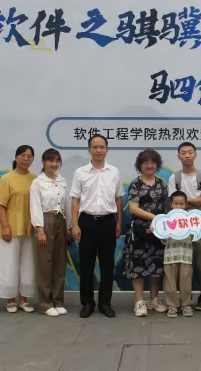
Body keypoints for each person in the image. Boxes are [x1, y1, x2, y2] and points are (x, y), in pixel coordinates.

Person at [70, 134, 124, 319]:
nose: (99, 150)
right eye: (95, 147)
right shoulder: (80, 172)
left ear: (107, 150)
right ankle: (87, 303)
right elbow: (75, 200)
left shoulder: (114, 172)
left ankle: (105, 303)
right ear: (89, 150)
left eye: (102, 147)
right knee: (86, 265)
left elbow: (118, 199)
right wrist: (75, 225)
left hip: (108, 222)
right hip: (86, 222)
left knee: (107, 265)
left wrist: (119, 222)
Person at [0, 145, 37, 313]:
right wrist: (4, 226)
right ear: (16, 157)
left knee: (28, 265)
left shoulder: (36, 179)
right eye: (22, 155)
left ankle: (24, 299)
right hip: (10, 229)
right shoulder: (6, 179)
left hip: (29, 229)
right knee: (9, 265)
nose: (26, 159)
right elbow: (0, 205)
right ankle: (10, 299)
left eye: (29, 156)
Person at [167, 142, 201, 312]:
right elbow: (173, 203)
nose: (187, 155)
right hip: (179, 228)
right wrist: (196, 200)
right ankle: (184, 297)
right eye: (183, 153)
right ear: (178, 156)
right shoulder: (174, 178)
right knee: (181, 263)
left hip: (200, 226)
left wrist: (186, 201)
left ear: (195, 155)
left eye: (190, 152)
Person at [125, 149, 168, 317]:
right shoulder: (136, 184)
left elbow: (166, 207)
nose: (150, 166)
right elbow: (133, 208)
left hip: (159, 233)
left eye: (153, 162)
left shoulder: (162, 184)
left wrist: (165, 223)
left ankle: (154, 299)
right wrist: (155, 218)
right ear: (140, 165)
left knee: (157, 266)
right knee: (138, 266)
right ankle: (139, 301)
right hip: (140, 232)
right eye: (146, 162)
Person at [30, 148, 72, 317]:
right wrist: (39, 230)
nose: (54, 164)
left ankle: (58, 301)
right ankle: (45, 303)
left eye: (57, 161)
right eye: (50, 161)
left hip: (61, 220)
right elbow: (35, 206)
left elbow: (67, 204)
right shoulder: (37, 182)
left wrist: (69, 226)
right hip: (45, 222)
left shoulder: (62, 181)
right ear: (43, 162)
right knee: (45, 264)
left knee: (60, 263)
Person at [163, 191, 194, 318]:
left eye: (181, 204)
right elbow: (163, 239)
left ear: (186, 205)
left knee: (186, 281)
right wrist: (157, 231)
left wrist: (200, 227)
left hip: (186, 254)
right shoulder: (165, 220)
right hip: (170, 255)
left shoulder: (190, 220)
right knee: (170, 282)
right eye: (176, 203)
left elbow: (195, 237)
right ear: (171, 204)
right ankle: (172, 305)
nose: (178, 206)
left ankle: (186, 304)